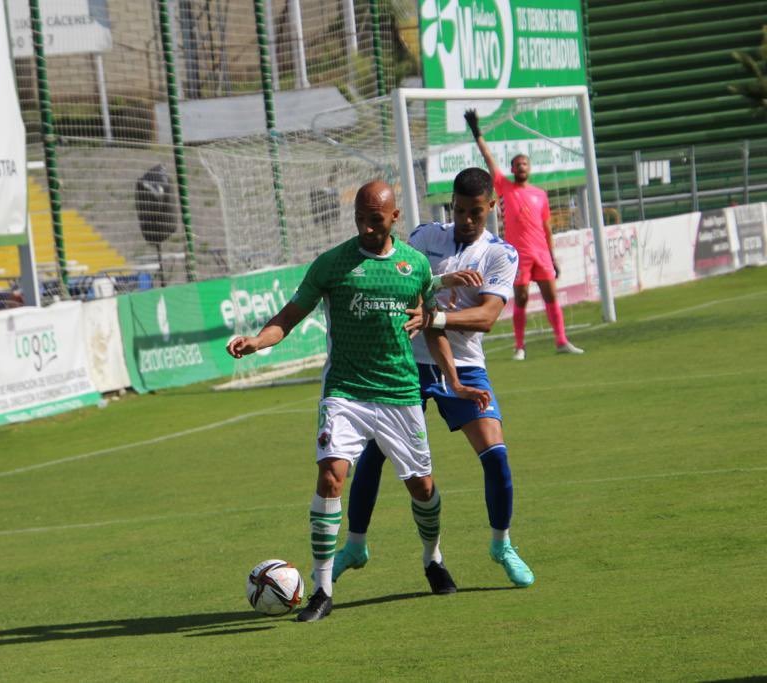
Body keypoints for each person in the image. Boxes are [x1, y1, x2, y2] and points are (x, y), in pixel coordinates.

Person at [226, 180, 488, 622]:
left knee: (422, 487)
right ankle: (322, 589)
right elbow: (288, 317)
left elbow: (431, 327)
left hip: (399, 391)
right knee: (331, 476)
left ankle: (433, 558)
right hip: (345, 391)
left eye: (375, 220)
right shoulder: (332, 265)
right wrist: (258, 341)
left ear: (394, 218)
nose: (366, 228)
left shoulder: (415, 266)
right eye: (360, 220)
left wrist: (455, 383)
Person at [332, 168, 535, 589]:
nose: (465, 219)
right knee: (373, 455)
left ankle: (502, 543)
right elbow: (401, 276)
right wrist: (439, 286)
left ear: (491, 207)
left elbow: (486, 317)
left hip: (462, 365)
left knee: (496, 455)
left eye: (475, 212)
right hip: (405, 362)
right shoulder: (425, 237)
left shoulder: (500, 254)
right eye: (459, 210)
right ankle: (355, 544)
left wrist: (434, 315)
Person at [465, 109, 584, 360]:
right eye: (517, 164)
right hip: (518, 254)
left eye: (525, 164)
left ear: (529, 168)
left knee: (551, 294)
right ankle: (519, 346)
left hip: (541, 253)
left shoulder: (540, 194)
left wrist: (552, 256)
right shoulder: (504, 187)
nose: (521, 167)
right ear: (512, 168)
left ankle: (561, 340)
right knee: (520, 298)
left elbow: (547, 227)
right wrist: (477, 132)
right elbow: (488, 159)